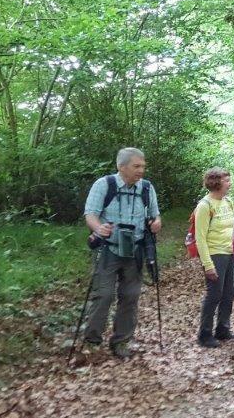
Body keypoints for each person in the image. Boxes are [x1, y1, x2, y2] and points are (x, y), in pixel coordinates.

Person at [82, 147, 162, 359]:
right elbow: (90, 214)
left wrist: (156, 223)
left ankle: (121, 342)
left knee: (130, 296)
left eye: (143, 166)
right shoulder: (104, 185)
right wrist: (98, 228)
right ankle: (92, 340)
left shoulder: (146, 188)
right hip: (108, 248)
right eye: (137, 166)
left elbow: (155, 216)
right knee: (104, 295)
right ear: (122, 167)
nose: (141, 170)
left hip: (135, 250)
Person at [194, 167, 234, 348]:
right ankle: (204, 334)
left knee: (230, 292)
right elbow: (200, 238)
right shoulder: (205, 206)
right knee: (214, 294)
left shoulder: (229, 202)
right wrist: (208, 264)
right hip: (215, 254)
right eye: (227, 180)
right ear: (216, 183)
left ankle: (223, 329)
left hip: (231, 253)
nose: (230, 184)